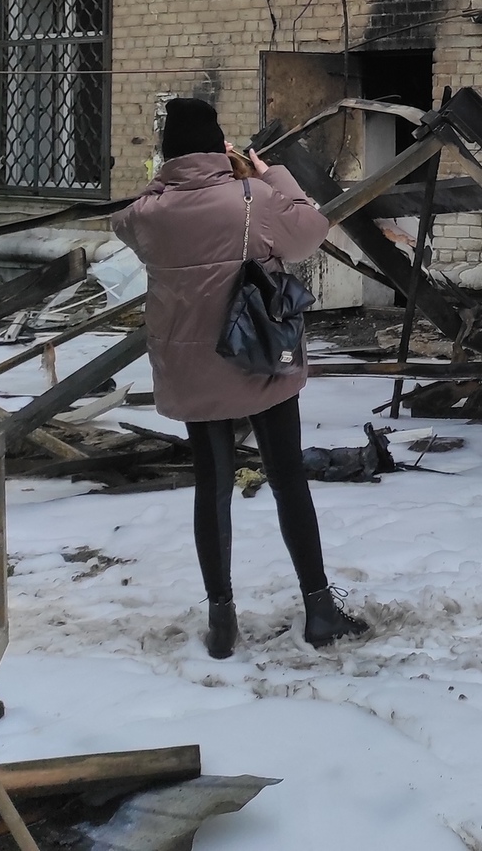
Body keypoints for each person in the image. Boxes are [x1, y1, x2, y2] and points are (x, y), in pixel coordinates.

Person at [110, 97, 369, 657]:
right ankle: (320, 609)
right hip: (260, 359)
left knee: (213, 486)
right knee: (287, 480)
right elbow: (311, 232)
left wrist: (161, 182)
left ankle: (222, 619)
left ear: (166, 153)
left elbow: (124, 221)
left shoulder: (150, 213)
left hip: (191, 370)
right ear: (219, 145)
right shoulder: (252, 197)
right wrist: (267, 172)